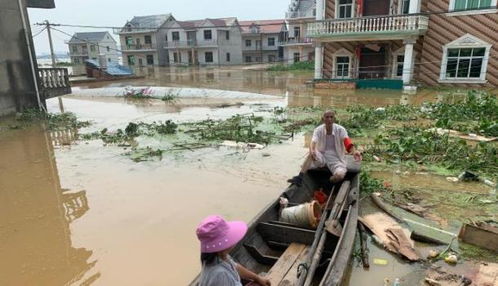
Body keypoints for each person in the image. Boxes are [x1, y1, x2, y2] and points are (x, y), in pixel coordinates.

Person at [288, 110, 362, 186]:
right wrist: (312, 150)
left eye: (331, 117)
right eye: (327, 117)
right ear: (323, 119)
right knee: (310, 154)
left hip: (336, 159)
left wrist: (354, 151)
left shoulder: (340, 130)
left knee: (340, 175)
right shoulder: (318, 130)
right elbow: (313, 142)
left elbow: (347, 142)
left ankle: (327, 182)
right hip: (322, 156)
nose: (329, 119)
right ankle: (300, 177)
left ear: (334, 119)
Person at [196, 215, 271, 286]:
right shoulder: (221, 275)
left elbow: (236, 267)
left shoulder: (219, 256)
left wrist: (257, 278)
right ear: (222, 247)